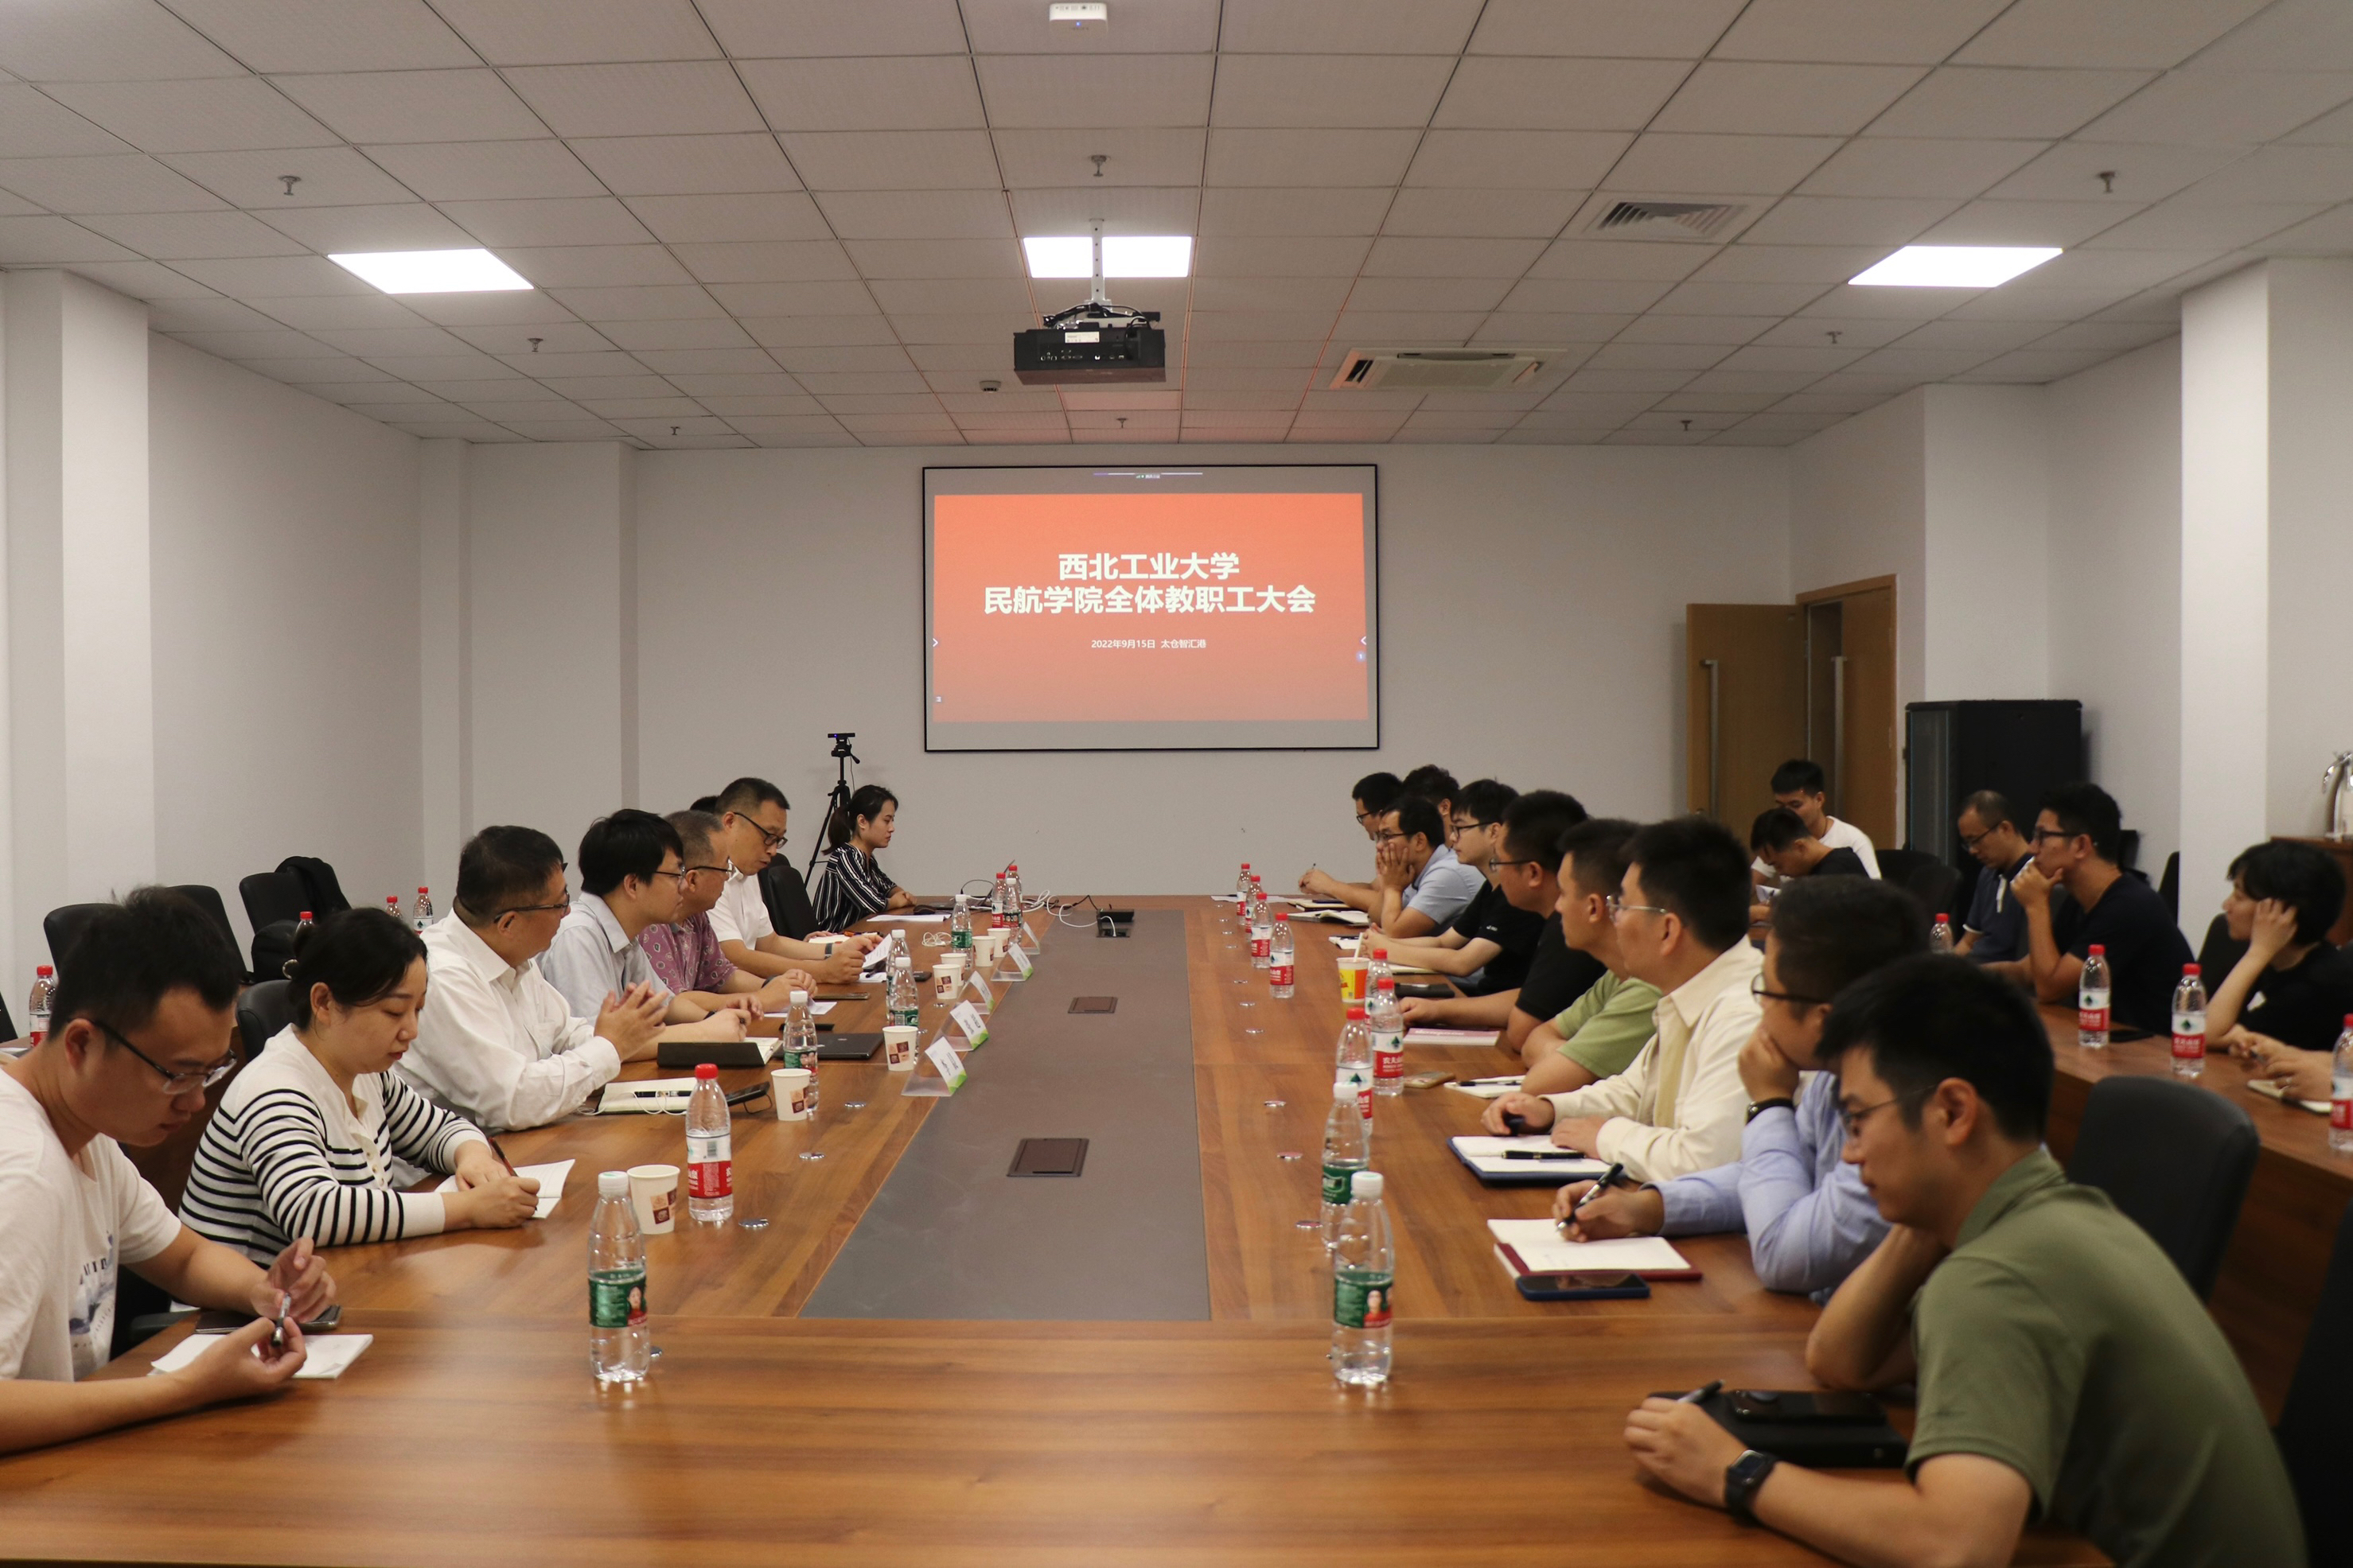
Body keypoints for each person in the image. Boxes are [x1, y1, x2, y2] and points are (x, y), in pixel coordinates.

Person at [1620, 956, 2304, 1567]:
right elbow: (1841, 1360)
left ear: (1952, 1111)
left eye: (1858, 1119)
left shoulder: (1997, 1276)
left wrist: (1734, 1471)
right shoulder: (2047, 1218)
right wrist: (1928, 1216)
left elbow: (1955, 1546)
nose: (1850, 1152)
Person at [0, 889, 337, 1456]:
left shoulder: (86, 1134)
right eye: (177, 1075)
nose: (195, 1102)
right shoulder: (22, 1171)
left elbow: (182, 1257)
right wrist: (185, 1388)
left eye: (211, 1072)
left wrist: (265, 1291)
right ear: (81, 1044)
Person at [1552, 878, 1926, 1301]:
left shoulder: (1900, 1114)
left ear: (1824, 1020)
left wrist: (1769, 1104)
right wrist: (1648, 1208)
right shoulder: (1832, 1077)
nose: (1759, 1006)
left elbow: (1783, 1254)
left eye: (1766, 989)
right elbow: (1762, 1173)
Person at [181, 909, 543, 1263]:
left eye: (418, 1010)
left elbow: (442, 1129)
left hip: (337, 1279)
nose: (411, 1031)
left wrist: (474, 1159)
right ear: (324, 1002)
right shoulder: (273, 1089)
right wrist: (467, 1209)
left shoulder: (367, 1073)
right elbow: (313, 1213)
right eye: (394, 1012)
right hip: (247, 1298)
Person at [1485, 816, 1763, 1181]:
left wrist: (1605, 1136)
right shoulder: (1690, 991)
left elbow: (1704, 1160)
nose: (1614, 919)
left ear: (1667, 930)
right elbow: (1633, 1091)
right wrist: (1550, 1110)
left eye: (1622, 906)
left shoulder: (1744, 1013)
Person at [399, 825, 666, 1131]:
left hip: (519, 1142)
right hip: (461, 1157)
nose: (568, 912)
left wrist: (619, 1030)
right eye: (559, 904)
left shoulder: (514, 955)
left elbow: (567, 1034)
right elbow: (512, 1101)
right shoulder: (444, 977)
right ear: (509, 924)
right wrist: (608, 1047)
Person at [536, 810, 757, 1041]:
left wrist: (715, 1017)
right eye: (675, 875)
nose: (683, 886)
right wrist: (704, 1032)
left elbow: (666, 1004)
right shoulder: (577, 937)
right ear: (633, 885)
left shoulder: (625, 935)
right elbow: (599, 1043)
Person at [1994, 781, 2191, 1036]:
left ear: (2081, 846)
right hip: (2106, 1041)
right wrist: (1962, 974)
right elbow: (2028, 972)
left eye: (2042, 836)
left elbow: (2049, 988)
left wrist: (2036, 906)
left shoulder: (2130, 906)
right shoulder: (2079, 901)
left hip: (2155, 1049)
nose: (2032, 848)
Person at [1486, 818, 1659, 1096]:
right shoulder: (1616, 976)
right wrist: (1571, 1055)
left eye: (1563, 893)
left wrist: (1566, 1059)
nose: (1558, 907)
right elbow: (1535, 1038)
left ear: (1593, 908)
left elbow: (1539, 1083)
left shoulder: (1648, 987)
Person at [2208, 840, 2353, 1103]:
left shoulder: (2320, 983)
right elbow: (2232, 1036)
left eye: (2239, 896)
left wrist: (2258, 952)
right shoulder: (2284, 957)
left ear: (2282, 912)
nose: (2226, 905)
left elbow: (2205, 1033)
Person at [1369, 780, 1543, 994]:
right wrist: (1382, 942)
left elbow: (1463, 963)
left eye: (1460, 829)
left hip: (1494, 1000)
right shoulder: (1491, 887)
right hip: (1484, 995)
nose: (1452, 838)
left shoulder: (1518, 893)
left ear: (1494, 832)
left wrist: (1386, 948)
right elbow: (1443, 942)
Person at [707, 777, 875, 986]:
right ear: (730, 822)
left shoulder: (746, 871)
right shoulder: (710, 876)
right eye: (768, 836)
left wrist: (836, 949)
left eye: (778, 840)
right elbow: (736, 957)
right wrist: (822, 971)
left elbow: (770, 943)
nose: (773, 850)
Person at [642, 810, 810, 1013]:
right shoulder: (653, 923)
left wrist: (777, 986)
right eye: (724, 868)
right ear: (693, 879)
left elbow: (723, 976)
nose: (728, 877)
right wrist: (761, 998)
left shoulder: (697, 916)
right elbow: (673, 1000)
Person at [1370, 794, 1485, 939]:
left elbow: (1394, 934)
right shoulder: (1412, 870)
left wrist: (1392, 888)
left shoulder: (1447, 873)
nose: (1379, 846)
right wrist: (1386, 884)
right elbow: (1376, 919)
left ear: (1419, 841)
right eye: (1379, 837)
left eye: (1386, 836)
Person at [1754, 759, 1880, 881]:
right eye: (1781, 806)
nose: (1787, 813)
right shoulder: (1777, 837)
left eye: (1795, 805)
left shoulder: (1853, 841)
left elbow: (1875, 891)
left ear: (1819, 800)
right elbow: (1751, 884)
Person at [812, 784, 914, 930]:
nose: (892, 828)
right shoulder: (846, 857)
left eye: (893, 821)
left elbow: (887, 886)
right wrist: (896, 902)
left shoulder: (866, 858)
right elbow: (872, 903)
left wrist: (901, 894)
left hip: (854, 935)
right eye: (886, 821)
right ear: (862, 822)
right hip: (832, 938)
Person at [1953, 790, 2038, 963]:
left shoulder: (2037, 877)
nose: (1972, 851)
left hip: (2000, 975)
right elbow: (1969, 942)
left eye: (1976, 840)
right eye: (1968, 844)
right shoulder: (1987, 874)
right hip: (1973, 970)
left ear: (2005, 829)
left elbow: (2028, 962)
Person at [1297, 771, 1401, 913]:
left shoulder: (1402, 847)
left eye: (1362, 817)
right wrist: (1322, 886)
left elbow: (1384, 903)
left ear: (1382, 814)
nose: (1362, 824)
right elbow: (1374, 888)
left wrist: (1330, 886)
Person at [1750, 807, 1870, 882]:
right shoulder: (1817, 872)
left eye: (1778, 865)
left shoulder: (1836, 874)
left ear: (1799, 847)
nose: (1780, 873)